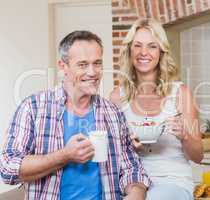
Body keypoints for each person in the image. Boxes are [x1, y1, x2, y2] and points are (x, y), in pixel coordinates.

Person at [0, 30, 151, 200]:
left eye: (97, 63)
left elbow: (131, 167)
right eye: (83, 64)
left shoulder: (112, 112)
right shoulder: (33, 108)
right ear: (63, 66)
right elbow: (8, 168)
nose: (93, 72)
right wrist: (64, 156)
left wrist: (136, 193)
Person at [110, 19, 203, 200]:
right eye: (137, 46)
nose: (143, 52)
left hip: (172, 181)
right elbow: (111, 155)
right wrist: (128, 149)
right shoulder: (116, 97)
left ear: (161, 52)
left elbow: (198, 156)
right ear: (130, 51)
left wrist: (185, 136)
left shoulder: (180, 94)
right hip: (130, 180)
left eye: (152, 46)